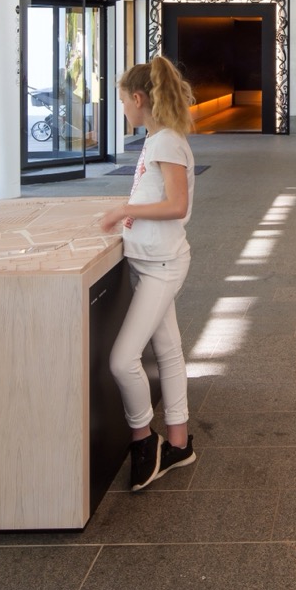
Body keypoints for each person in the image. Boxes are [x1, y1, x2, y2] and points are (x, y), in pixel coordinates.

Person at [100, 57, 200, 492]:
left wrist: (124, 210)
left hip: (161, 265)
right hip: (151, 261)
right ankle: (178, 443)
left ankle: (144, 439)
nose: (123, 108)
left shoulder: (165, 144)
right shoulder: (159, 139)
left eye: (124, 100)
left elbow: (176, 205)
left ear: (139, 99)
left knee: (122, 361)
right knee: (169, 350)